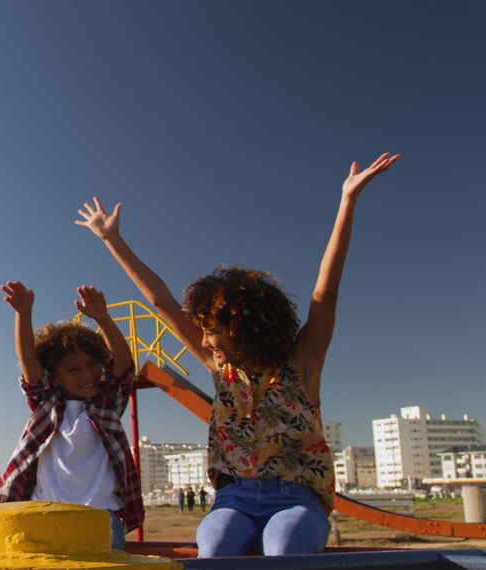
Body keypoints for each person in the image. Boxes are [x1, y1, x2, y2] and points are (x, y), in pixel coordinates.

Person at [76, 153, 400, 557]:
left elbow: (325, 291)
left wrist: (347, 202)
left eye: (212, 331)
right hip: (236, 498)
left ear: (241, 329)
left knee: (283, 547)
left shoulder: (301, 364)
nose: (205, 340)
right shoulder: (220, 370)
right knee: (214, 548)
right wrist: (112, 240)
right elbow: (161, 301)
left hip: (297, 496)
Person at [0, 282, 142, 551]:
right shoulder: (47, 403)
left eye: (93, 364)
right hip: (44, 511)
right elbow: (28, 359)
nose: (87, 375)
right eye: (74, 370)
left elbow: (123, 363)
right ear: (55, 377)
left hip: (100, 514)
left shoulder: (105, 403)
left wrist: (103, 319)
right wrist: (23, 315)